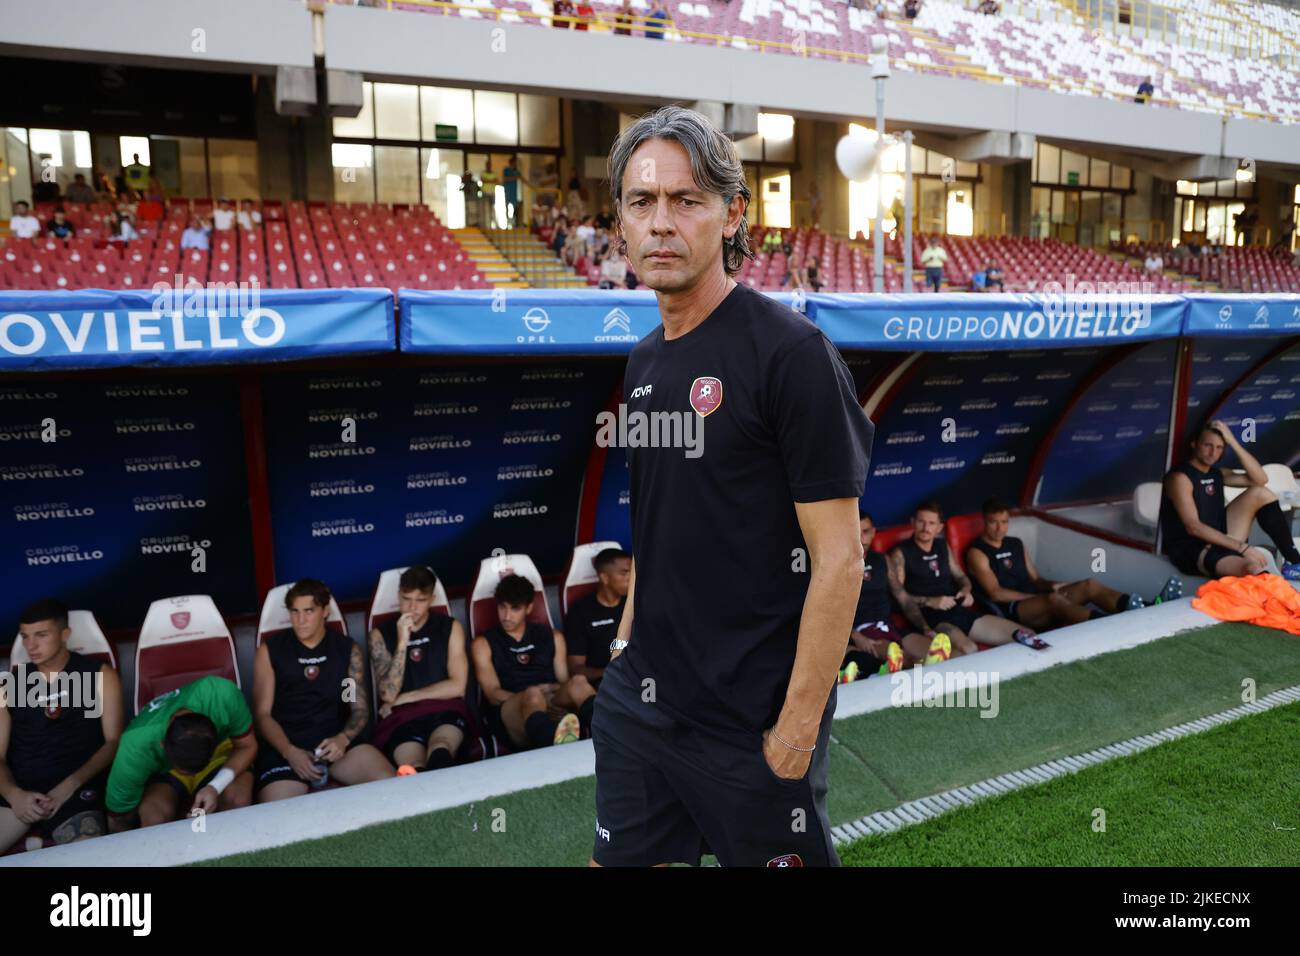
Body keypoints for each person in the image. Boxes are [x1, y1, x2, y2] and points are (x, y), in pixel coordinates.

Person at [592, 105, 875, 867]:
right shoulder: (643, 361)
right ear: (619, 221)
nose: (661, 224)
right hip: (641, 707)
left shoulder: (792, 356)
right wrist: (624, 644)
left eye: (686, 201)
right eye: (641, 202)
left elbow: (841, 560)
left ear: (731, 214)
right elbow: (661, 519)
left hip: (750, 727)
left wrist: (797, 727)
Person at [253, 579, 395, 802]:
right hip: (286, 745)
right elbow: (262, 715)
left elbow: (357, 709)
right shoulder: (271, 651)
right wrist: (289, 752)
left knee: (386, 781)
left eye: (309, 611)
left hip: (333, 742)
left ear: (325, 611)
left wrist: (343, 739)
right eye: (295, 612)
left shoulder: (346, 650)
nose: (301, 620)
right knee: (277, 811)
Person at [0, 600, 123, 852]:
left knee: (90, 854)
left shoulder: (99, 675)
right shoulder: (10, 685)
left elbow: (113, 741)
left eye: (41, 635)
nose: (31, 645)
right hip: (20, 794)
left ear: (65, 634)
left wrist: (69, 786)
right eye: (25, 637)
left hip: (75, 789)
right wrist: (13, 794)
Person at [966, 498, 1182, 633]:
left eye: (1004, 522)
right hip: (1014, 609)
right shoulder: (978, 551)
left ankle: (1151, 606)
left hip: (1039, 597)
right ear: (985, 522)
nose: (999, 528)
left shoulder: (1015, 543)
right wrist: (1038, 597)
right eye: (994, 522)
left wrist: (1054, 585)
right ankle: (1110, 627)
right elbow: (995, 594)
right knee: (1054, 600)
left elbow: (1036, 580)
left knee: (1089, 584)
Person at [887, 501, 1043, 656]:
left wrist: (966, 590)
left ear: (939, 527)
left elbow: (961, 576)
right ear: (913, 523)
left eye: (931, 523)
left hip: (957, 609)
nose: (926, 528)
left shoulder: (942, 545)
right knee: (968, 649)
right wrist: (930, 601)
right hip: (929, 616)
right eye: (921, 522)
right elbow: (899, 600)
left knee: (1026, 634)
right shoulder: (901, 553)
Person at [105, 675, 255, 831]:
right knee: (154, 820)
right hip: (164, 771)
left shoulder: (222, 693)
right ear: (162, 746)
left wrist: (215, 786)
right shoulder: (135, 747)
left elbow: (246, 746)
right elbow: (119, 818)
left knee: (238, 801)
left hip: (218, 755)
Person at [1159, 422, 1300, 580]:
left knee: (1260, 493)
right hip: (1192, 547)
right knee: (1252, 568)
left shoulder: (1218, 473)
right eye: (1208, 445)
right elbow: (1194, 527)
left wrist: (1233, 442)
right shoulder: (1180, 478)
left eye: (1219, 447)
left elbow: (1260, 479)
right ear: (1194, 444)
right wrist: (1243, 548)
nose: (1213, 452)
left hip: (1220, 538)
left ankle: (1294, 563)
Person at [471, 575, 595, 750]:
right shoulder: (483, 643)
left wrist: (551, 692)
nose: (507, 615)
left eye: (515, 609)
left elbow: (563, 680)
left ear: (529, 608)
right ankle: (553, 746)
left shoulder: (553, 636)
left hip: (550, 701)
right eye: (502, 607)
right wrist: (535, 698)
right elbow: (492, 694)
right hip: (511, 712)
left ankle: (613, 734)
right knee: (532, 695)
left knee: (578, 682)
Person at [367, 567, 471, 773]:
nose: (412, 607)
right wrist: (402, 642)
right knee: (413, 767)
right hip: (402, 718)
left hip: (444, 708)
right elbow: (388, 694)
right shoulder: (380, 634)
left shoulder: (450, 627)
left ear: (432, 599)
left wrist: (407, 697)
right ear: (398, 596)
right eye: (406, 599)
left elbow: (458, 687)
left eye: (420, 600)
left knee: (441, 749)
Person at [842, 514, 951, 681]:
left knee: (941, 653)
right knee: (901, 658)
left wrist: (925, 628)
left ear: (873, 532)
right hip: (864, 630)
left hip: (889, 627)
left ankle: (925, 665)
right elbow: (828, 612)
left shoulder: (882, 560)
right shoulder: (838, 566)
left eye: (865, 532)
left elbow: (903, 598)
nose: (861, 538)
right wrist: (855, 635)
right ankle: (920, 667)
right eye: (856, 532)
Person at [564, 549, 631, 686]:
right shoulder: (580, 612)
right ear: (604, 578)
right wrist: (610, 672)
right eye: (624, 573)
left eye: (632, 572)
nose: (630, 578)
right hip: (603, 683)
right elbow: (576, 668)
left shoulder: (633, 604)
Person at [502, 156, 522, 228]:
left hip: (514, 193)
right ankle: (507, 224)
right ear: (512, 162)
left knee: (515, 208)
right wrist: (514, 178)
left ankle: (514, 224)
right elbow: (504, 179)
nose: (516, 164)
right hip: (508, 191)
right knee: (507, 207)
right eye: (515, 162)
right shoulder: (506, 170)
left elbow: (522, 178)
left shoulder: (517, 171)